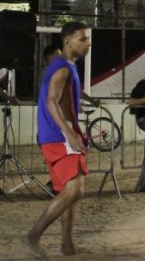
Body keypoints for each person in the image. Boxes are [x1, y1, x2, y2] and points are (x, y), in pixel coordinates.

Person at [24, 21, 91, 258]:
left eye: (88, 39)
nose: (87, 43)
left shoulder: (68, 66)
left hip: (60, 134)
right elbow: (52, 102)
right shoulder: (61, 67)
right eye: (82, 39)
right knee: (74, 192)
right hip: (58, 136)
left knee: (69, 192)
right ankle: (33, 236)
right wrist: (70, 134)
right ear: (67, 41)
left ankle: (67, 244)